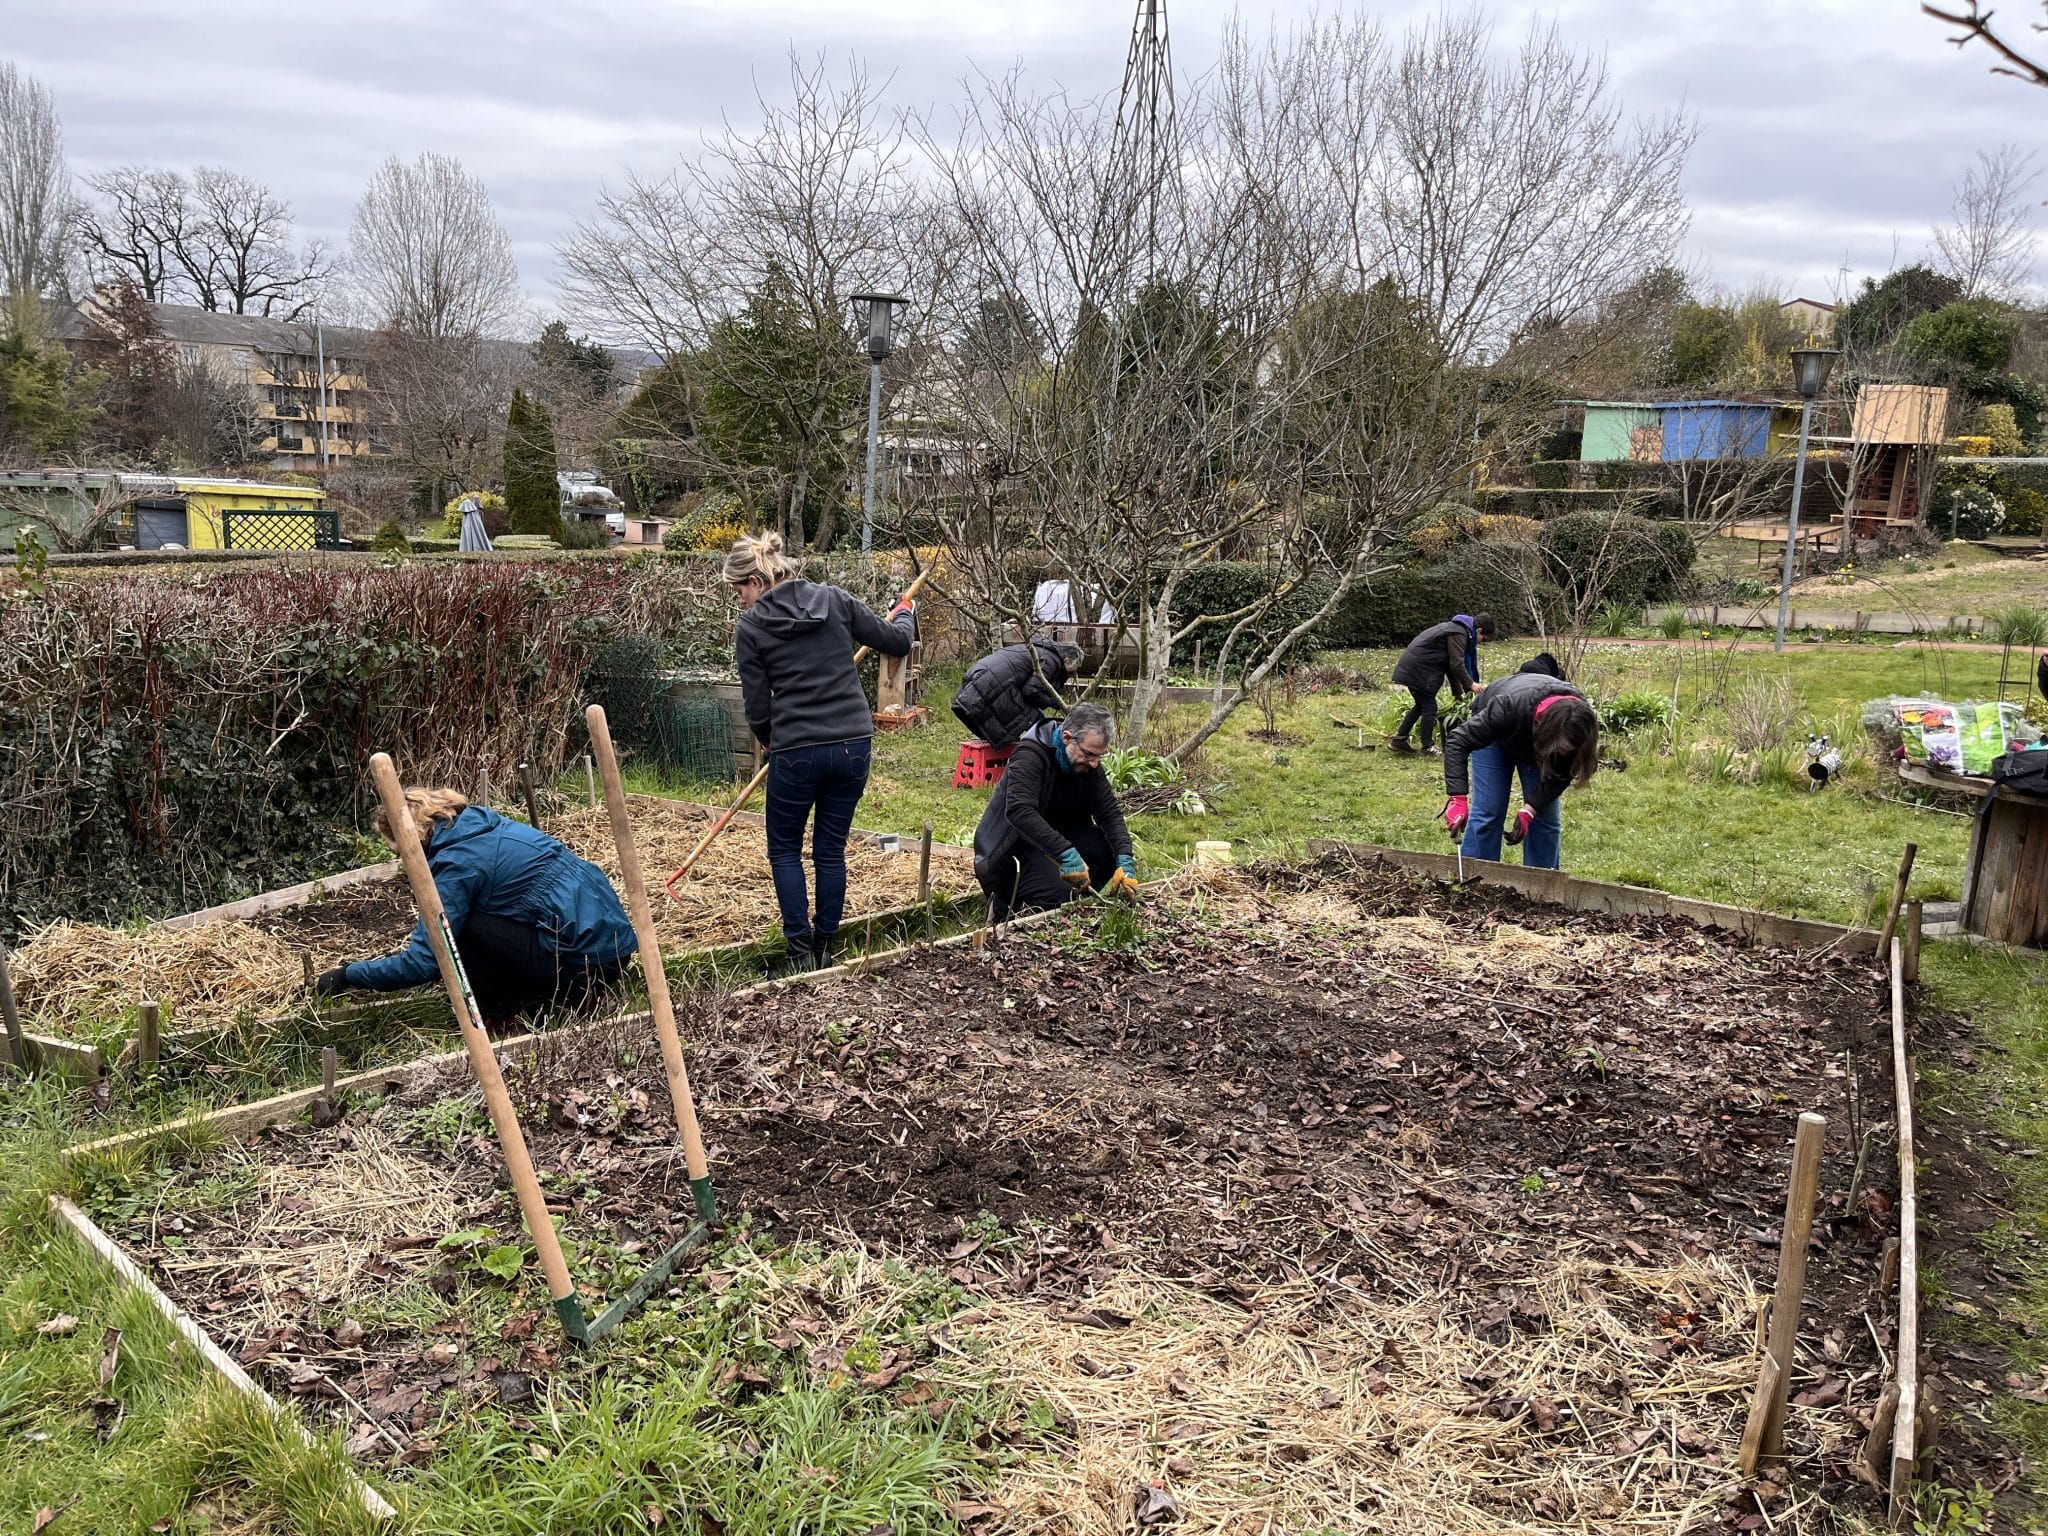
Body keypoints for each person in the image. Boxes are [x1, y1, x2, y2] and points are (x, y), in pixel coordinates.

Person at [729, 531, 914, 974]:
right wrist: (906, 613)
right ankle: (826, 946)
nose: (740, 601)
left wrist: (770, 739)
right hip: (853, 744)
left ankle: (799, 955)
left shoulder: (752, 628)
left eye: (739, 591)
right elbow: (897, 640)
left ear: (756, 579)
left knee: (785, 850)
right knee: (830, 850)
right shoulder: (834, 600)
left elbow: (757, 706)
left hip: (798, 751)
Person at [315, 788, 635, 1023]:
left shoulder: (456, 863)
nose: (405, 864)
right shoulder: (486, 827)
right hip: (615, 951)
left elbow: (425, 962)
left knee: (457, 932)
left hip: (581, 966)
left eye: (401, 854)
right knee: (475, 923)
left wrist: (348, 975)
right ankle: (571, 996)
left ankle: (501, 1021)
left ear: (414, 841)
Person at [973, 701, 1141, 918]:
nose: (1094, 764)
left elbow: (1109, 812)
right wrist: (1066, 854)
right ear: (1067, 738)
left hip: (1054, 841)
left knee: (1108, 848)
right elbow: (1019, 810)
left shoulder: (1087, 764)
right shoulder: (1030, 756)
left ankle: (1076, 901)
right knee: (1059, 894)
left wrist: (1125, 859)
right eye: (1089, 754)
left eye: (1099, 756)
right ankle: (1029, 909)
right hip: (1012, 853)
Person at [1440, 671, 1601, 870]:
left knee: (1545, 818)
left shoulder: (1579, 724)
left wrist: (1530, 810)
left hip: (1540, 740)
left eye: (1568, 751)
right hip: (1496, 733)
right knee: (1488, 812)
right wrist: (1458, 798)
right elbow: (1458, 741)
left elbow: (1561, 773)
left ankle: (1543, 890)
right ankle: (1475, 882)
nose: (1566, 753)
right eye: (1562, 749)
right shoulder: (1507, 708)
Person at [1389, 613, 1497, 755]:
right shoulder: (1459, 633)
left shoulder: (1457, 630)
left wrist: (1457, 693)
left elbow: (1450, 666)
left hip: (1415, 668)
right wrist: (1471, 684)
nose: (1481, 643)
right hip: (1419, 669)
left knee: (1421, 705)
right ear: (1479, 631)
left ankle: (1399, 740)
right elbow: (1456, 664)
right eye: (1484, 639)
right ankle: (1427, 746)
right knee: (1429, 707)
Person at [952, 637, 1085, 749]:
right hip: (991, 688)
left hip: (977, 685)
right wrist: (1051, 702)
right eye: (1076, 667)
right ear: (1066, 660)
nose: (1074, 671)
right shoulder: (1051, 661)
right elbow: (1030, 691)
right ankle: (1047, 752)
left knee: (1021, 724)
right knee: (1036, 722)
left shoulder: (1040, 650)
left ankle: (1011, 757)